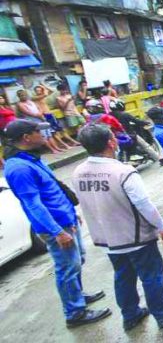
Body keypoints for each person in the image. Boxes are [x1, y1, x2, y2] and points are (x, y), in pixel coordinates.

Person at [73, 124, 163, 331]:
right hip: (135, 237)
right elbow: (143, 204)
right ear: (110, 142)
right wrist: (161, 226)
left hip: (108, 239)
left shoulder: (79, 172)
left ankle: (130, 316)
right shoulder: (122, 171)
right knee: (151, 276)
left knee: (123, 277)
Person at [3, 119, 111, 327]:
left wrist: (69, 215)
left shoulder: (31, 158)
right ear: (26, 137)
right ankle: (74, 312)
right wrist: (57, 231)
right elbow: (34, 204)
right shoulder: (19, 168)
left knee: (77, 260)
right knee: (67, 268)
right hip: (56, 228)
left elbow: (52, 193)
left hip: (65, 220)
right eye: (38, 132)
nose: (44, 135)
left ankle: (77, 296)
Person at [109, 99, 163, 166]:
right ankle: (161, 159)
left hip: (116, 137)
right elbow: (136, 121)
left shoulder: (109, 116)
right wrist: (146, 122)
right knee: (146, 146)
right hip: (129, 135)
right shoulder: (124, 114)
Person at [16, 89, 66, 154]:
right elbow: (29, 113)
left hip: (41, 118)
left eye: (24, 95)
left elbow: (39, 107)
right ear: (19, 97)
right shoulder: (20, 104)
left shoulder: (30, 101)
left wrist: (40, 114)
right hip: (33, 121)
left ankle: (57, 147)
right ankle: (52, 150)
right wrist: (39, 115)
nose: (24, 96)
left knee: (49, 134)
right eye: (21, 95)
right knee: (43, 136)